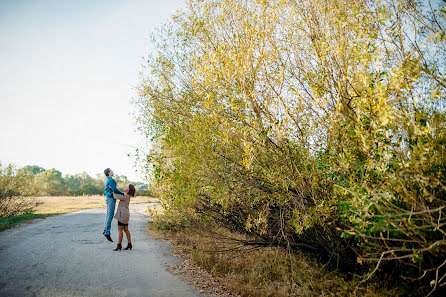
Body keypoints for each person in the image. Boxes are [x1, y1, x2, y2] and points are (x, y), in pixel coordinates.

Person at [103, 168, 124, 242]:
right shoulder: (111, 180)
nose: (112, 171)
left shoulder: (107, 180)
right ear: (109, 173)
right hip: (111, 199)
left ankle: (105, 231)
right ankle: (107, 232)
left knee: (108, 215)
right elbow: (114, 189)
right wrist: (122, 193)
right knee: (110, 215)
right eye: (111, 171)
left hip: (108, 198)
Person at [112, 184, 135, 251]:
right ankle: (129, 244)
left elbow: (115, 196)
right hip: (126, 214)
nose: (125, 187)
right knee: (126, 229)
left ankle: (119, 245)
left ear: (128, 189)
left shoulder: (125, 195)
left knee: (120, 230)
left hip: (123, 214)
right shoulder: (127, 195)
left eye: (126, 186)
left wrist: (112, 189)